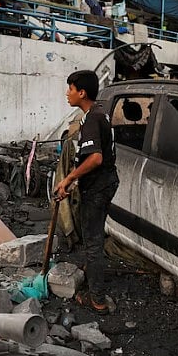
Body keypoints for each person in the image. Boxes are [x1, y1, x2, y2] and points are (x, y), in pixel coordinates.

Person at [54, 70, 119, 314]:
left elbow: (95, 158)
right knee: (93, 236)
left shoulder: (92, 118)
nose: (67, 93)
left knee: (93, 242)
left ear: (81, 93)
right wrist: (71, 183)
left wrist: (70, 177)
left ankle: (98, 300)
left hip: (99, 187)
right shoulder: (98, 114)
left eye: (70, 89)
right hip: (103, 183)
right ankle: (92, 273)